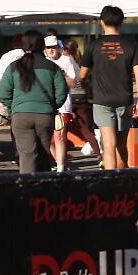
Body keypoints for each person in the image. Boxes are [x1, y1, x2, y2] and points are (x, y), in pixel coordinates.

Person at [79, 5, 138, 170]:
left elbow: (82, 74)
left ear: (101, 22)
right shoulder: (131, 45)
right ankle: (122, 178)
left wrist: (87, 82)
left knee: (108, 145)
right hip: (124, 100)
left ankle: (110, 180)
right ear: (121, 23)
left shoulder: (93, 45)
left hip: (102, 100)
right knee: (121, 145)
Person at [0, 30, 68, 174]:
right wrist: (52, 106)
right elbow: (62, 92)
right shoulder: (52, 67)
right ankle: (43, 186)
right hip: (45, 115)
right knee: (43, 155)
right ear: (42, 46)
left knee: (27, 156)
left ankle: (27, 186)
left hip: (20, 116)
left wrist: (15, 107)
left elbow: (3, 94)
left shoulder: (13, 67)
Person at [65, 38, 103, 165]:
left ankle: (61, 160)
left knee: (62, 130)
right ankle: (99, 156)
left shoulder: (65, 62)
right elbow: (86, 81)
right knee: (86, 130)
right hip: (82, 97)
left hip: (70, 98)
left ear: (65, 50)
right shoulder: (80, 63)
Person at [45, 35, 78, 172]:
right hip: (46, 105)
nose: (51, 50)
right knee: (48, 140)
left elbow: (73, 83)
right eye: (48, 47)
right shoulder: (43, 62)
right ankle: (61, 162)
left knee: (59, 137)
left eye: (53, 47)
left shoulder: (66, 61)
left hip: (63, 106)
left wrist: (59, 73)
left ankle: (61, 167)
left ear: (58, 47)